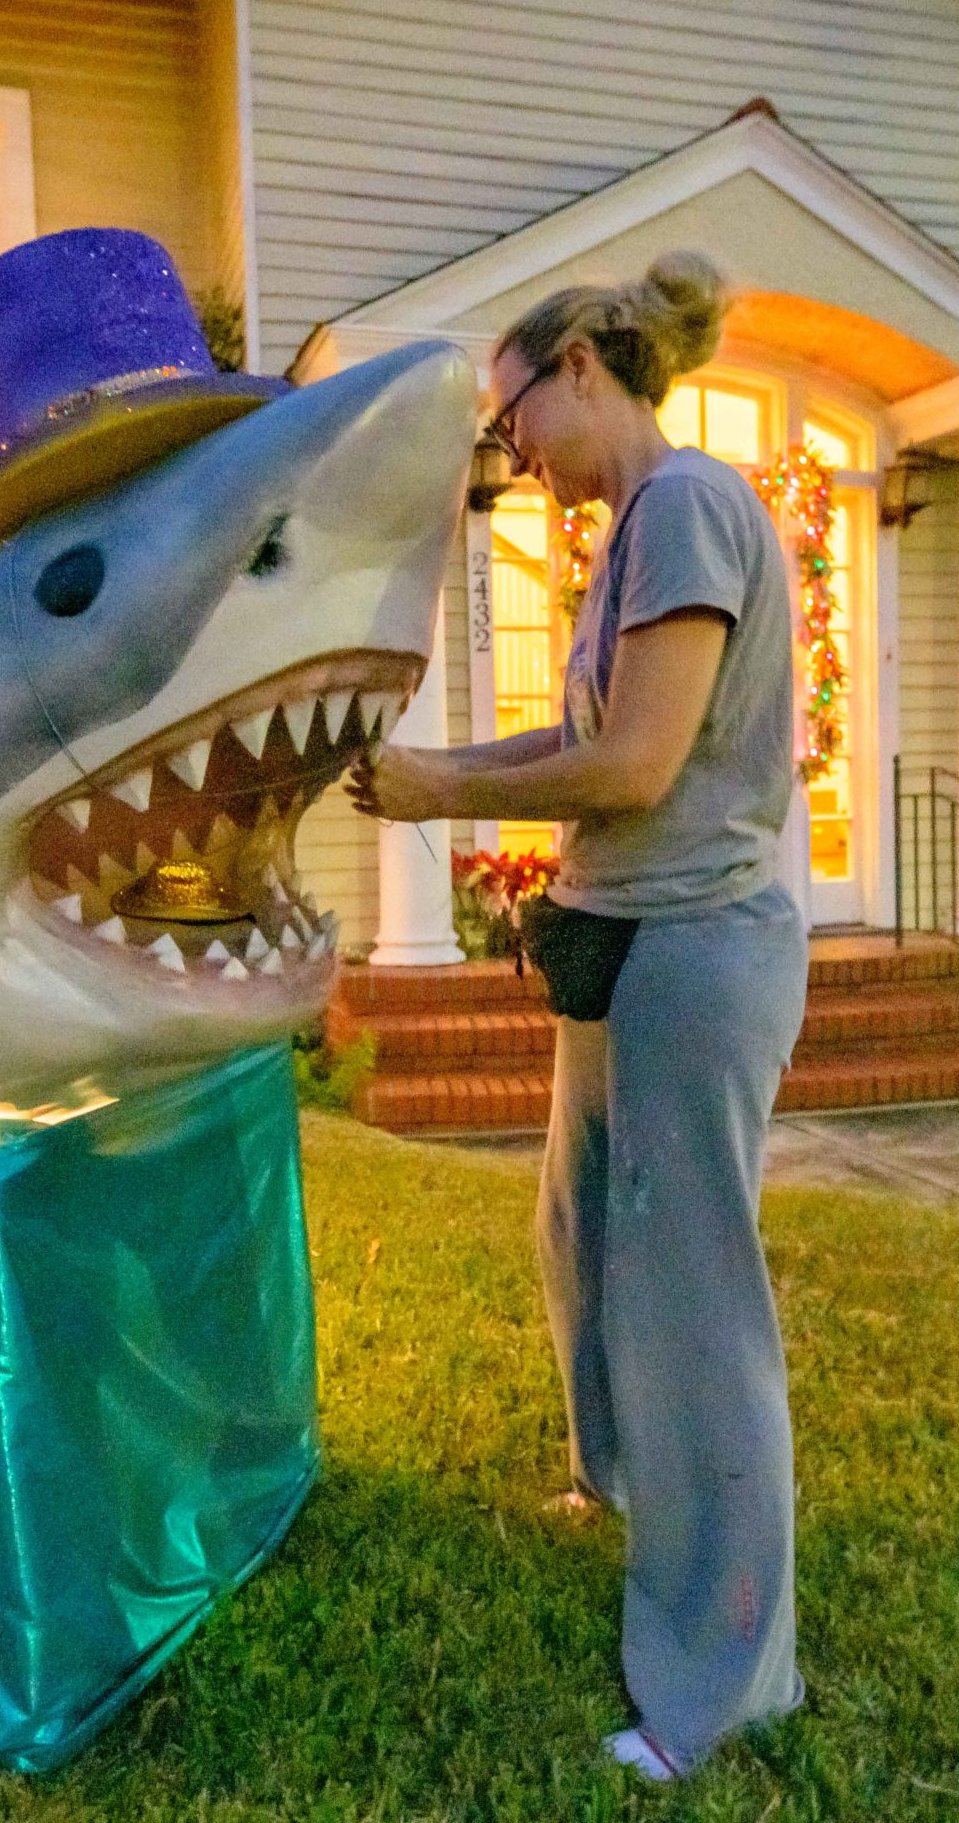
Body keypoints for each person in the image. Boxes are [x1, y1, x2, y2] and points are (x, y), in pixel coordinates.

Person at [347, 252, 806, 1783]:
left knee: (691, 1297)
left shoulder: (685, 506)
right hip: (626, 940)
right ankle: (620, 1481)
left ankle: (724, 1676)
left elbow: (632, 771)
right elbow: (588, 729)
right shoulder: (625, 539)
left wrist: (444, 788)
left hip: (695, 946)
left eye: (513, 410)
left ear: (585, 368)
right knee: (578, 1232)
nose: (512, 445)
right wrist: (443, 763)